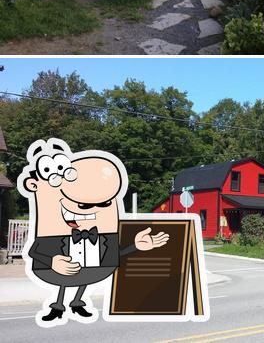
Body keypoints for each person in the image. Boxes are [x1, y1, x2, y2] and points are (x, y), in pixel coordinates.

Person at [18, 138, 169, 327]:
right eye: (83, 205)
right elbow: (34, 251)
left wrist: (136, 246)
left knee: (83, 274)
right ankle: (58, 305)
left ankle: (77, 302)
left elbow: (114, 255)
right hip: (56, 271)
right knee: (67, 274)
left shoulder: (104, 236)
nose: (89, 210)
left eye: (105, 203)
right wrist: (51, 261)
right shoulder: (51, 233)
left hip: (92, 272)